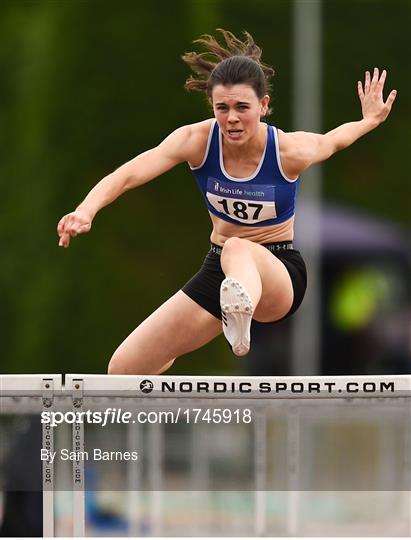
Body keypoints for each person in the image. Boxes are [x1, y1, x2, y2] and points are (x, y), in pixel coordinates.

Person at [57, 29, 397, 374]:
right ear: (212, 106)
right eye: (222, 108)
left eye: (242, 107)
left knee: (238, 246)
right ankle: (163, 402)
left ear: (263, 106)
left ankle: (239, 316)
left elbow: (332, 141)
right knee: (124, 369)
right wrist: (86, 209)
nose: (231, 118)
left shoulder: (287, 151)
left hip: (278, 274)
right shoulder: (195, 141)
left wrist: (367, 121)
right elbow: (128, 174)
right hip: (218, 272)